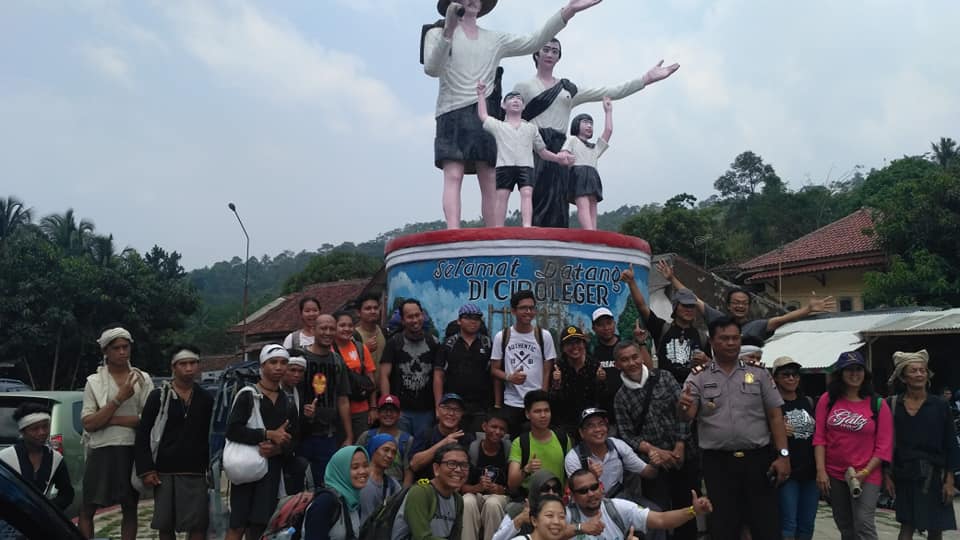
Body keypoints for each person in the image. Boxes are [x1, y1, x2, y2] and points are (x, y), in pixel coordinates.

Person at [421, 0, 604, 229]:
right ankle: (453, 230)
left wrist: (568, 11)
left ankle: (494, 231)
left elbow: (533, 41)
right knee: (453, 174)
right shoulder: (436, 32)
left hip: (485, 111)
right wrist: (448, 30)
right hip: (451, 110)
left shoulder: (494, 39)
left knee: (489, 177)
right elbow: (432, 68)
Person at [513, 37, 678, 228]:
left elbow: (610, 91)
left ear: (559, 57)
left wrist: (645, 79)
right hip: (534, 146)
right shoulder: (523, 87)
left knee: (559, 198)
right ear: (536, 53)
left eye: (555, 51)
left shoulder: (568, 89)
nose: (550, 54)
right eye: (546, 49)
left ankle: (558, 241)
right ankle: (532, 238)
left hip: (561, 149)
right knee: (534, 194)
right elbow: (512, 121)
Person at [678, 317, 790, 539]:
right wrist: (683, 407)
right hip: (718, 464)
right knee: (723, 527)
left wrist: (783, 456)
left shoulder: (758, 373)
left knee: (766, 525)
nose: (731, 343)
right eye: (724, 338)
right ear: (712, 341)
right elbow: (687, 416)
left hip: (758, 461)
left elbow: (775, 416)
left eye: (735, 338)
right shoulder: (698, 376)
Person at [612, 340, 697, 540]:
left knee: (687, 508)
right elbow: (627, 435)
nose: (631, 363)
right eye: (625, 360)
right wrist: (654, 451)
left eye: (635, 357)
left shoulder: (664, 378)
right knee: (657, 513)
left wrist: (680, 445)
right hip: (653, 465)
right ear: (617, 364)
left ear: (642, 356)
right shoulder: (620, 397)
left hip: (683, 456)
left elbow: (683, 413)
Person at [78, 325, 154, 540]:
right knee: (88, 507)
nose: (122, 352)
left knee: (129, 507)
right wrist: (119, 399)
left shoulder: (142, 379)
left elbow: (148, 419)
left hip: (131, 449)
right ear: (106, 351)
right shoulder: (93, 382)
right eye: (116, 348)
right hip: (101, 449)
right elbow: (89, 424)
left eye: (125, 347)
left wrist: (108, 419)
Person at [135, 345, 214, 540]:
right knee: (165, 524)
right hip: (164, 471)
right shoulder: (159, 397)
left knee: (198, 524)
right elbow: (143, 434)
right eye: (183, 364)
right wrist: (147, 469)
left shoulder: (205, 398)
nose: (189, 368)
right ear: (173, 367)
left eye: (193, 363)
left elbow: (211, 435)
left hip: (196, 471)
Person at [813, 351, 893, 540]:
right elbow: (819, 438)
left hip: (868, 472)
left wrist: (865, 472)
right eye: (849, 370)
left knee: (863, 523)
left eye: (858, 369)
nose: (854, 374)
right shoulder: (827, 400)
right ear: (840, 373)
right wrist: (821, 471)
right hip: (835, 473)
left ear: (865, 373)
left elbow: (884, 447)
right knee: (845, 525)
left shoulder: (878, 404)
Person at [225, 345, 299, 540]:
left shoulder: (288, 401)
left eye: (283, 362)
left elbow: (295, 439)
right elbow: (232, 430)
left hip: (272, 472)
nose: (279, 367)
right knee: (237, 524)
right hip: (246, 467)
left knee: (261, 526)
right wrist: (266, 434)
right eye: (273, 362)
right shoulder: (248, 395)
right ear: (263, 365)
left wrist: (278, 449)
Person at [476, 80, 573, 227]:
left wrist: (557, 158)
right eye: (511, 98)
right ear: (503, 105)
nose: (515, 101)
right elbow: (483, 115)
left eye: (519, 99)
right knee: (502, 195)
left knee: (527, 193)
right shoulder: (498, 126)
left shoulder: (531, 128)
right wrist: (481, 94)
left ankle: (527, 225)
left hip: (526, 166)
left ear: (524, 106)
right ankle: (499, 226)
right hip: (504, 166)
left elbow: (542, 152)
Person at [884, 350, 958, 540]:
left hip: (934, 476)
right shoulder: (892, 405)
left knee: (935, 528)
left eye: (922, 370)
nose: (919, 374)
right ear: (903, 377)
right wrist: (886, 475)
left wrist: (950, 480)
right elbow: (885, 443)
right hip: (904, 475)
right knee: (906, 527)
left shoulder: (940, 405)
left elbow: (950, 443)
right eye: (913, 370)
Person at [621, 262, 710, 385]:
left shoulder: (702, 337)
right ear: (675, 307)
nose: (689, 309)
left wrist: (706, 361)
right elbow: (642, 306)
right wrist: (631, 282)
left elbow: (712, 367)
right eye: (685, 305)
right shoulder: (662, 328)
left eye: (692, 306)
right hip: (665, 390)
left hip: (694, 390)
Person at [564, 468, 713, 539]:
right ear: (573, 496)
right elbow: (551, 535)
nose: (591, 493)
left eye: (594, 487)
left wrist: (693, 511)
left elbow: (661, 520)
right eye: (583, 491)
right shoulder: (565, 515)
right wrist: (581, 528)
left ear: (601, 487)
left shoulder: (616, 507)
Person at [491, 291, 557, 435]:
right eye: (523, 308)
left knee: (537, 441)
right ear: (513, 311)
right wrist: (509, 377)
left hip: (536, 404)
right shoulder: (502, 336)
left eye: (531, 308)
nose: (528, 312)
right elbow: (494, 369)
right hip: (512, 402)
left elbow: (547, 370)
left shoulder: (544, 336)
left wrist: (542, 398)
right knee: (514, 442)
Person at [299, 314, 353, 488]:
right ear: (313, 329)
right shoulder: (301, 358)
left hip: (328, 435)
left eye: (331, 329)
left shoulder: (337, 361)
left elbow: (343, 399)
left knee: (326, 486)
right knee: (299, 486)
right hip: (302, 435)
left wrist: (349, 435)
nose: (327, 332)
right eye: (323, 328)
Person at [772, 356, 818, 540]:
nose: (791, 378)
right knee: (788, 523)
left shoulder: (808, 401)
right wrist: (776, 431)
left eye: (795, 374)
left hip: (810, 472)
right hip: (787, 473)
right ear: (776, 378)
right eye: (786, 374)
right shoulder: (772, 405)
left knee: (807, 524)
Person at [380, 298, 440, 437]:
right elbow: (384, 375)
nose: (415, 320)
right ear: (402, 320)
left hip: (426, 411)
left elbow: (438, 376)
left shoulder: (433, 343)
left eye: (417, 315)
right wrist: (387, 405)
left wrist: (438, 407)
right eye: (410, 317)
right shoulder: (394, 343)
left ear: (422, 316)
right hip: (400, 411)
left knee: (422, 446)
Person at [563, 408, 655, 499]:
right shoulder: (574, 458)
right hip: (591, 504)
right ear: (582, 433)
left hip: (620, 500)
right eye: (591, 426)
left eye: (601, 424)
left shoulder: (618, 446)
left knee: (652, 507)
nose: (598, 429)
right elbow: (575, 496)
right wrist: (591, 476)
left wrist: (654, 463)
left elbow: (648, 473)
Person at [0, 402, 73, 510]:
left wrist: (47, 509)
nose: (42, 432)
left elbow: (67, 494)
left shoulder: (55, 458)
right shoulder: (5, 458)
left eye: (45, 427)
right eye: (35, 429)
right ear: (23, 432)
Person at [435, 303, 494, 432]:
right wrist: (438, 406)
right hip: (453, 406)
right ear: (459, 321)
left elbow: (494, 373)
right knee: (454, 441)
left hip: (481, 407)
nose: (473, 321)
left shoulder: (487, 344)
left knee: (478, 441)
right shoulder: (448, 344)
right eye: (468, 317)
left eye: (477, 318)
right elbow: (438, 375)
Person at [392, 443, 467, 539]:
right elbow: (421, 537)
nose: (458, 470)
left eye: (464, 465)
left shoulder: (458, 500)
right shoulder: (420, 492)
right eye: (451, 464)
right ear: (436, 469)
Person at [508, 390, 571, 496]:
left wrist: (566, 495)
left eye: (546, 410)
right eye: (537, 411)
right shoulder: (519, 443)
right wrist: (526, 469)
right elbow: (511, 484)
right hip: (529, 499)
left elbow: (570, 474)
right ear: (527, 414)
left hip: (557, 498)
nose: (543, 415)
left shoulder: (563, 439)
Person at [561, 98, 611, 230]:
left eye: (591, 123)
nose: (589, 126)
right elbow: (564, 152)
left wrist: (608, 112)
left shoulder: (595, 148)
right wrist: (566, 157)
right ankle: (589, 231)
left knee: (593, 205)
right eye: (585, 122)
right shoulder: (572, 139)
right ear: (577, 124)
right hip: (578, 175)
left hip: (593, 175)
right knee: (583, 204)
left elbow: (608, 131)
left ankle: (593, 230)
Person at [303, 446, 370, 540]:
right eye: (355, 467)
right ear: (341, 470)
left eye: (366, 466)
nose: (362, 471)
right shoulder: (325, 502)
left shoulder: (352, 499)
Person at [548, 325, 606, 435]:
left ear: (584, 344)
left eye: (578, 342)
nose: (574, 347)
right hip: (565, 423)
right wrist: (556, 385)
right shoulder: (557, 367)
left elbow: (601, 398)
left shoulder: (594, 365)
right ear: (563, 348)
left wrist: (601, 382)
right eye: (569, 343)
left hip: (589, 421)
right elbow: (553, 403)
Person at [462, 411, 511, 540]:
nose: (497, 432)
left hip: (498, 497)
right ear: (484, 427)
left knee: (492, 504)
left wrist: (501, 489)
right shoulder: (472, 449)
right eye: (494, 427)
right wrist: (477, 487)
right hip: (475, 494)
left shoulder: (508, 449)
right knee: (466, 501)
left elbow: (514, 488)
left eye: (502, 429)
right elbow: (461, 487)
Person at [332, 309, 378, 440]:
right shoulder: (328, 349)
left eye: (350, 325)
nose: (346, 329)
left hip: (360, 409)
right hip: (337, 410)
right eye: (342, 325)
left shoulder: (360, 348)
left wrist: (373, 408)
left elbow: (370, 380)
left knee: (361, 445)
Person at [410, 393, 477, 481]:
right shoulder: (425, 434)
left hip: (456, 485)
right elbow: (414, 465)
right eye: (447, 408)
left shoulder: (467, 438)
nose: (451, 413)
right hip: (426, 485)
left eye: (457, 410)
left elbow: (470, 472)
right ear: (438, 410)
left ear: (462, 414)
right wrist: (444, 442)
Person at [356, 394, 414, 487]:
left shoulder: (406, 440)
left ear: (399, 414)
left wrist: (403, 493)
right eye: (384, 410)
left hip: (396, 487)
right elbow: (354, 464)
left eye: (393, 410)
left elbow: (408, 472)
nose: (388, 414)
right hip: (368, 485)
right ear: (378, 413)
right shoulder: (366, 436)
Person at [490, 470, 568, 540]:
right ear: (535, 490)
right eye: (545, 489)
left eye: (555, 489)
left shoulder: (562, 512)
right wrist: (520, 520)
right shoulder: (517, 510)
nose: (551, 493)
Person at [589, 307, 624, 428]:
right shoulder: (591, 350)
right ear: (594, 328)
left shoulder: (624, 346)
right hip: (605, 415)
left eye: (609, 323)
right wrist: (598, 380)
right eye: (601, 325)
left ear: (614, 324)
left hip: (627, 408)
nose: (606, 328)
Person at [359, 434, 402, 517]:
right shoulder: (359, 479)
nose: (390, 456)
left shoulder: (393, 484)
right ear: (374, 449)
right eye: (386, 450)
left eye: (393, 452)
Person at [355, 292, 387, 374]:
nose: (373, 311)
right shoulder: (353, 336)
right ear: (358, 313)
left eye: (376, 308)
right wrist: (364, 350)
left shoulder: (385, 333)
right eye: (368, 308)